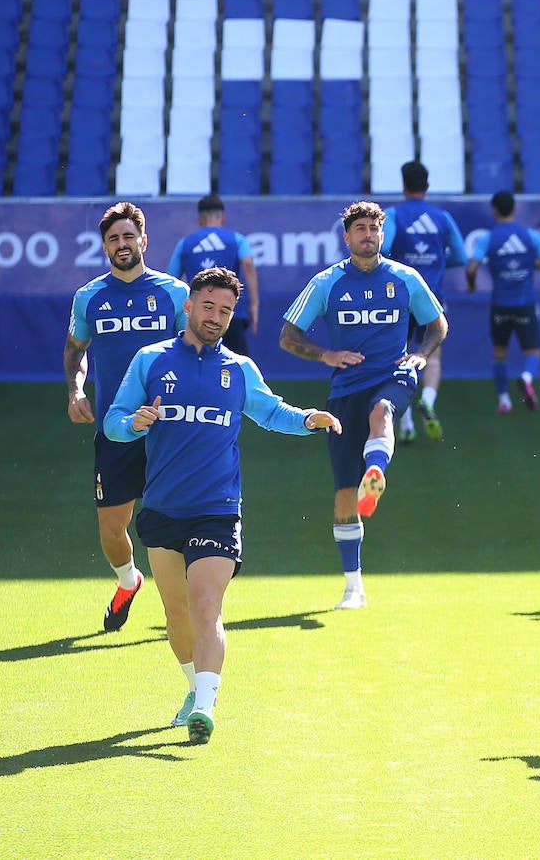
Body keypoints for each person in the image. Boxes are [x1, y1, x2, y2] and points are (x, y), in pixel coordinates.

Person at [105, 267, 342, 744]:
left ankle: (207, 707)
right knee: (176, 613)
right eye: (209, 306)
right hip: (163, 510)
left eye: (226, 311)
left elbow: (272, 412)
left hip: (217, 507)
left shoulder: (239, 369)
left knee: (206, 603)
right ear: (188, 306)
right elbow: (112, 420)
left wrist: (309, 418)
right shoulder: (150, 360)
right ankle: (194, 689)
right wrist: (134, 422)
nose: (216, 317)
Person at [281, 201, 448, 609]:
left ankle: (376, 471)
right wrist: (326, 355)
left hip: (392, 374)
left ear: (382, 234)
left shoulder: (405, 278)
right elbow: (288, 335)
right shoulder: (326, 283)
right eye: (360, 229)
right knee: (343, 496)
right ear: (347, 237)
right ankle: (353, 586)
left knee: (383, 412)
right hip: (345, 388)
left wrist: (422, 355)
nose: (368, 235)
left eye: (374, 228)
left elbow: (438, 324)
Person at [65, 201, 189, 632]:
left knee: (175, 517)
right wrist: (76, 389)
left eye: (128, 236)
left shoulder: (174, 294)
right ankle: (128, 580)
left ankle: (191, 600)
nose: (122, 244)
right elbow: (75, 350)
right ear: (104, 246)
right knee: (113, 530)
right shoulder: (89, 297)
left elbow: (195, 353)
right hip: (115, 428)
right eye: (113, 238)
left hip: (169, 429)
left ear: (144, 240)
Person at [381, 160, 466, 440]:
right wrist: (438, 261)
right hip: (433, 297)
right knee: (433, 355)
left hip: (401, 297)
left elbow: (386, 249)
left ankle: (404, 424)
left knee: (399, 356)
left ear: (403, 185)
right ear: (427, 186)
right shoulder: (441, 217)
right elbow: (460, 257)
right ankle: (427, 400)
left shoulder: (393, 215)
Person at [465, 190, 540, 412]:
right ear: (514, 209)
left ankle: (504, 400)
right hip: (525, 302)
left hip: (500, 304)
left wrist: (472, 285)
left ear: (494, 210)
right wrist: (530, 264)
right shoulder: (531, 236)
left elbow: (471, 268)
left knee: (499, 352)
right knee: (533, 351)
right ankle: (526, 376)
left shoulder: (487, 238)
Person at [166, 194, 260, 355]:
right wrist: (254, 304)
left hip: (197, 315)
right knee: (236, 365)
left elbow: (171, 280)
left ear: (200, 220)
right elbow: (248, 265)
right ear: (222, 218)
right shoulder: (237, 239)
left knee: (196, 364)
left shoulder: (185, 243)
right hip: (228, 312)